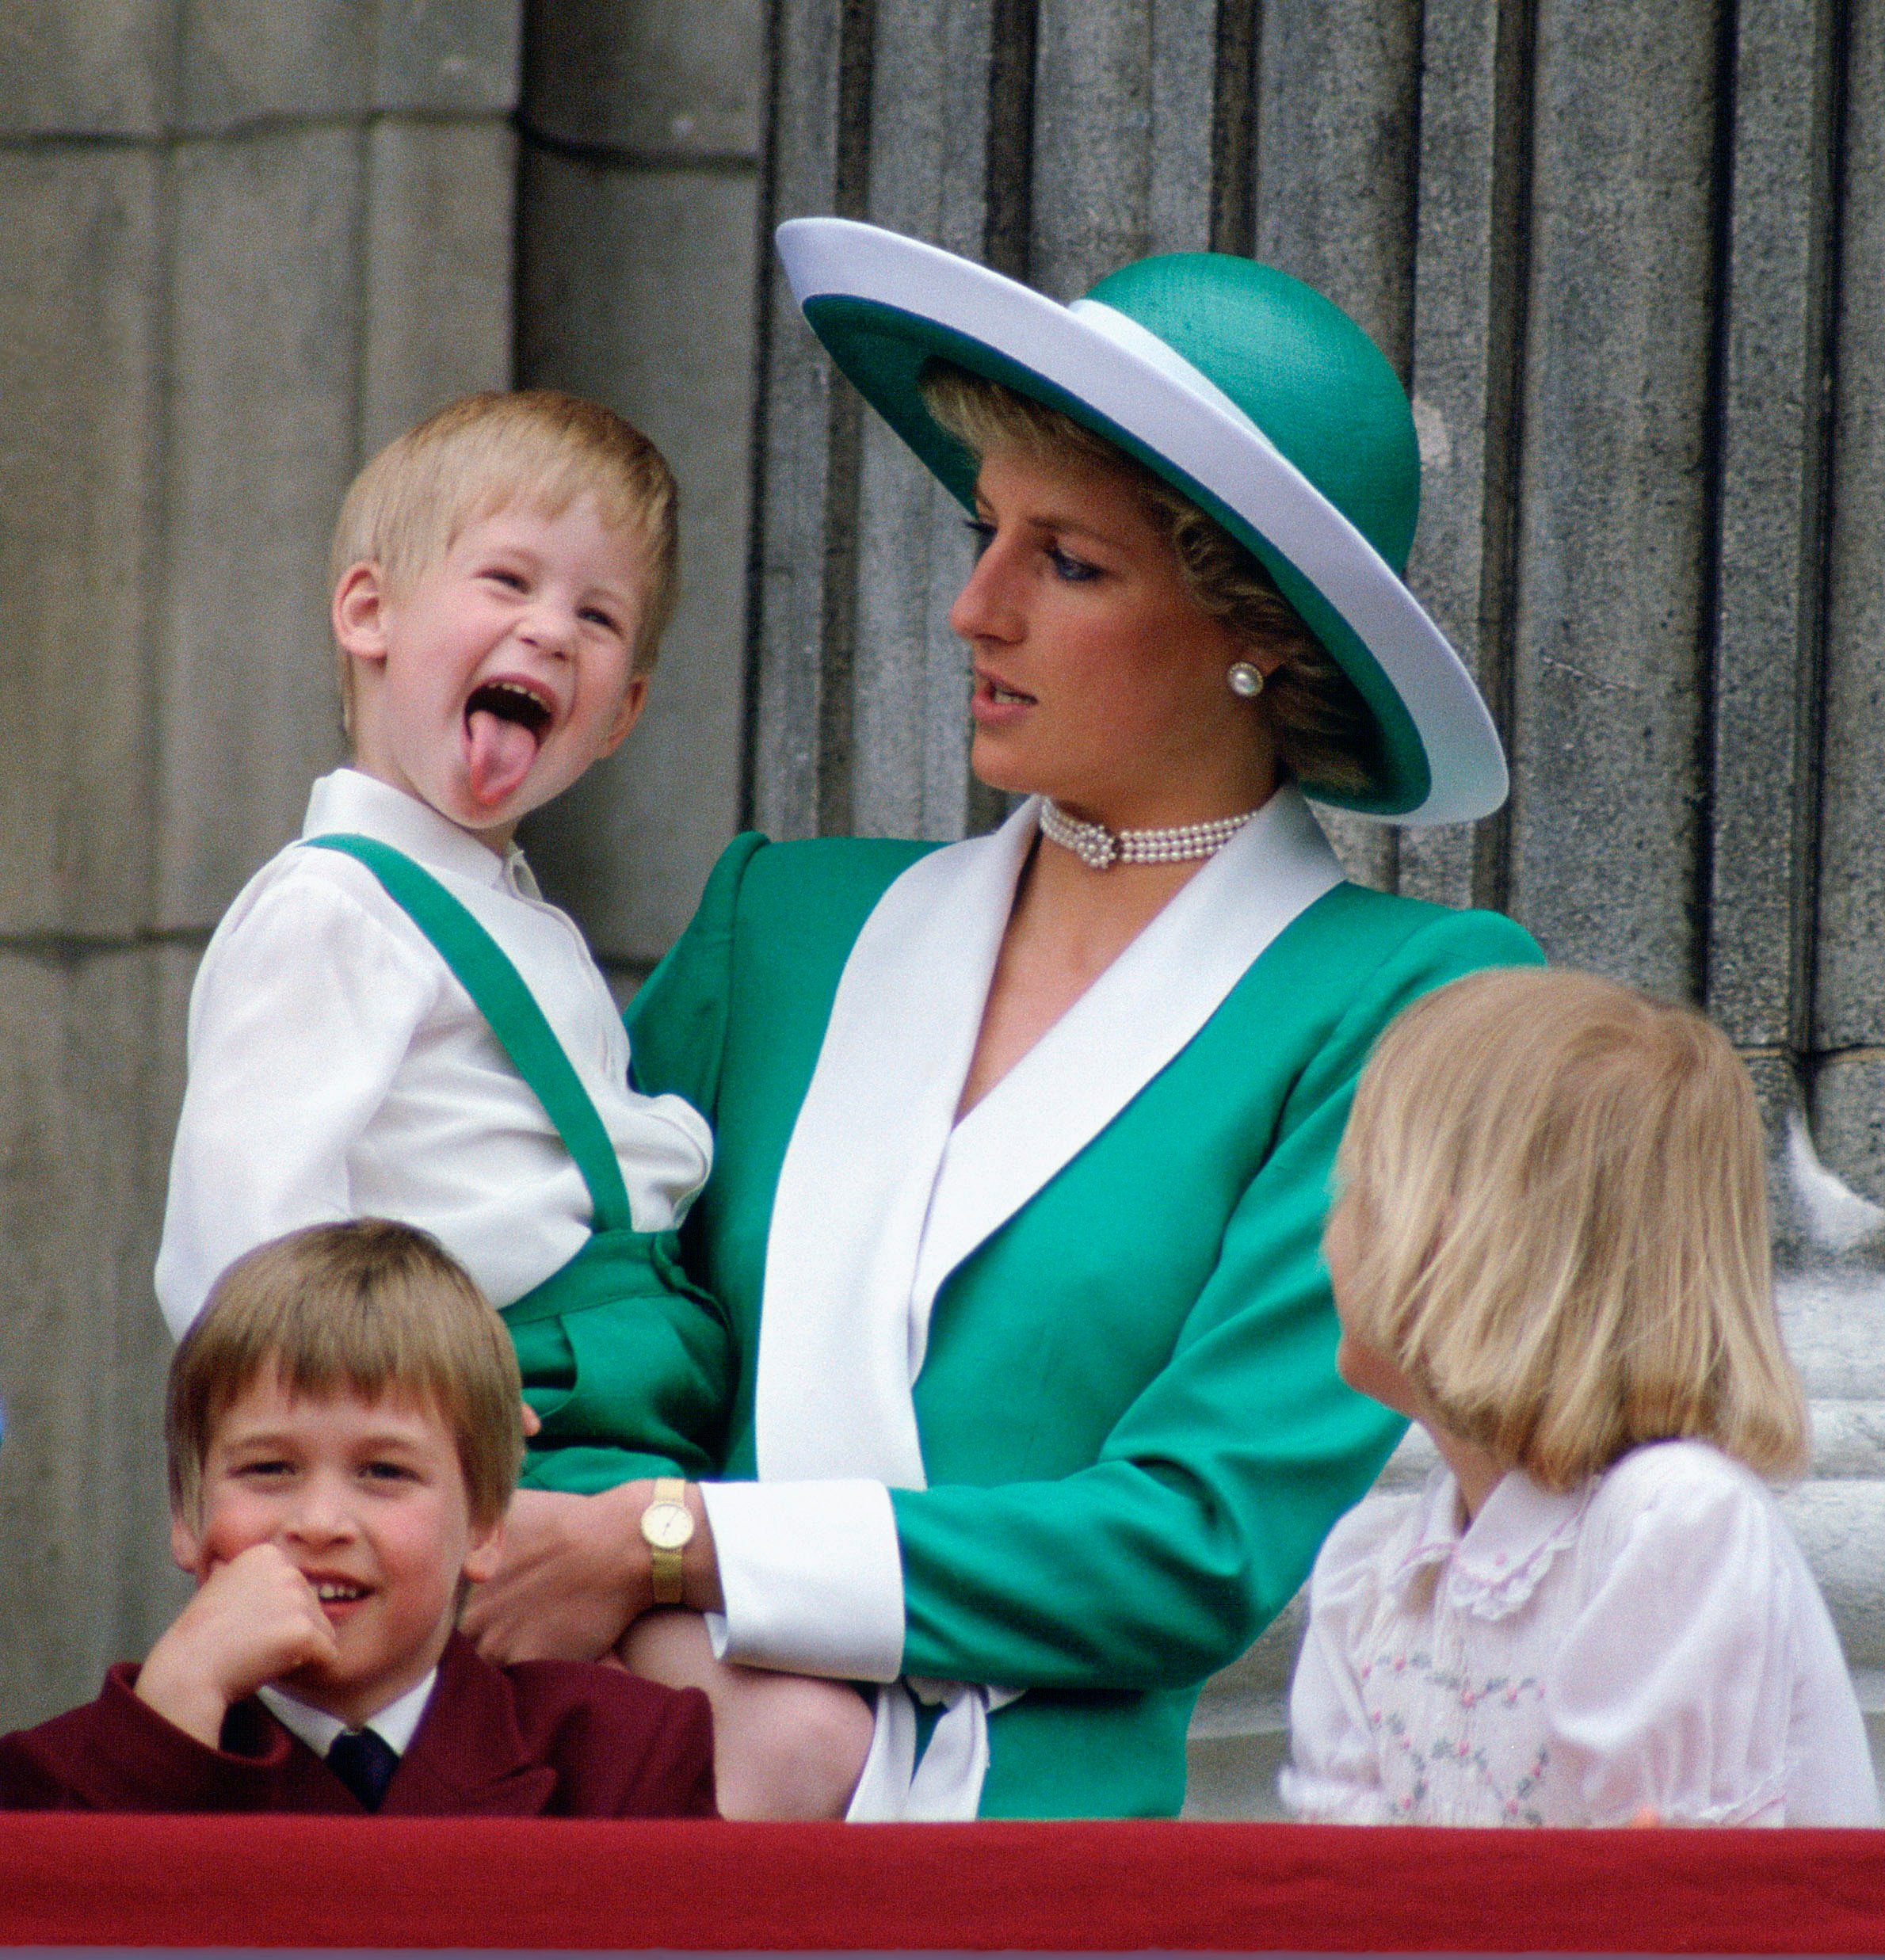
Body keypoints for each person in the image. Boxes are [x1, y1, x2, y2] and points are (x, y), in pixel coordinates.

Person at [458, 225, 1540, 1821]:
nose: (972, 605)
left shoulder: (1405, 1001)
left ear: (1257, 631)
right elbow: (585, 1339)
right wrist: (606, 1556)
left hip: (1037, 1880)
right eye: (986, 530)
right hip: (635, 1807)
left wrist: (682, 1547)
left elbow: (1194, 1540)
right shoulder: (784, 920)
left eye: (1069, 561)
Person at [153, 391, 735, 1500]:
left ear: (622, 715)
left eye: (599, 619)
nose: (552, 628)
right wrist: (367, 1439)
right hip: (489, 1416)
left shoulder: (507, 910)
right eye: (509, 581)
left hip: (611, 1394)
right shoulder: (334, 908)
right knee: (747, 1675)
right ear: (369, 613)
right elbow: (238, 1239)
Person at [1279, 967, 1879, 1827]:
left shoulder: (1671, 1521)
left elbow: (1659, 1910)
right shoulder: (1374, 1572)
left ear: (1455, 1238)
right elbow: (1341, 1904)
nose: (1325, 1240)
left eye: (1356, 1193)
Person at [2, 1221, 717, 1815]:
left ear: (486, 1527)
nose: (319, 1523)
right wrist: (172, 1718)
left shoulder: (624, 1757)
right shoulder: (44, 1784)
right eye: (269, 1469)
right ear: (187, 1511)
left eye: (384, 1472)